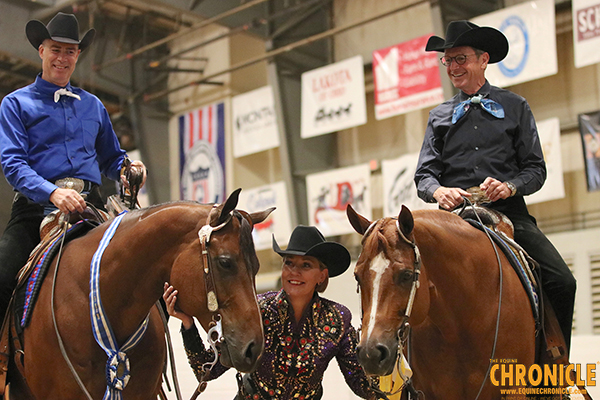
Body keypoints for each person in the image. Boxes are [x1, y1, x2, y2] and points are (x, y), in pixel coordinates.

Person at [414, 21, 576, 352]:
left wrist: (509, 187)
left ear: (483, 59)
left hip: (508, 213)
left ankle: (554, 364)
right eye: (448, 61)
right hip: (456, 218)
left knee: (562, 281)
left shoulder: (516, 106)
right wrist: (438, 192)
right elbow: (424, 175)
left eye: (460, 59)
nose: (453, 68)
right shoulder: (438, 116)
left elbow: (535, 170)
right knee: (404, 278)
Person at [0, 12, 146, 322]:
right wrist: (52, 192)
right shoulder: (15, 104)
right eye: (55, 49)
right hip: (34, 211)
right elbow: (13, 163)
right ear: (41, 51)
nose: (62, 58)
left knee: (144, 269)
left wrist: (128, 168)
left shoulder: (92, 105)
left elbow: (110, 158)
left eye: (69, 51)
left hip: (89, 208)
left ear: (78, 55)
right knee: (1, 275)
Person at [163, 225, 378, 400]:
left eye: (305, 265)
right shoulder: (258, 311)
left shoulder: (338, 319)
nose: (294, 271)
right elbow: (206, 369)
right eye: (289, 263)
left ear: (321, 276)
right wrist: (187, 323)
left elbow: (362, 383)